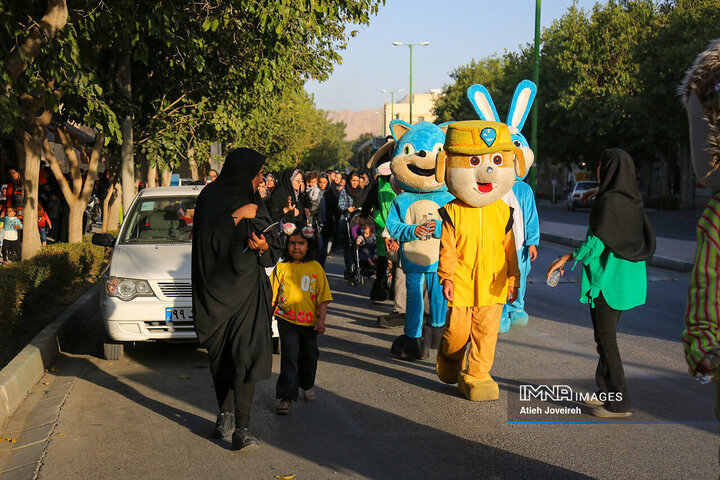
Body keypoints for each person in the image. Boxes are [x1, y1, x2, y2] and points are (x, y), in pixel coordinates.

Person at [547, 148, 655, 418]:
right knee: (603, 338)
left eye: (600, 165)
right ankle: (607, 392)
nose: (597, 169)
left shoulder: (607, 203)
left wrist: (567, 257)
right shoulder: (632, 201)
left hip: (607, 283)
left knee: (606, 341)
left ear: (608, 170)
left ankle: (620, 404)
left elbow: (596, 244)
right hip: (625, 284)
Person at [192, 147, 282, 451]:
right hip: (216, 294)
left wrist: (262, 246)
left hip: (249, 292)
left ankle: (243, 428)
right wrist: (237, 216)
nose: (261, 179)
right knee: (221, 359)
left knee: (246, 357)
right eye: (257, 173)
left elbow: (274, 244)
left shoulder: (256, 200)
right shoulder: (210, 197)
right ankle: (225, 413)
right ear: (243, 171)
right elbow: (205, 241)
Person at [271, 225, 333, 414]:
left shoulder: (315, 268)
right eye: (291, 243)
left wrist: (321, 320)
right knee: (289, 357)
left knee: (309, 356)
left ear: (309, 245)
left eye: (301, 243)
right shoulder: (281, 268)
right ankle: (286, 396)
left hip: (309, 324)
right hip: (286, 320)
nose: (296, 247)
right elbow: (272, 296)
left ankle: (307, 384)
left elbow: (323, 297)